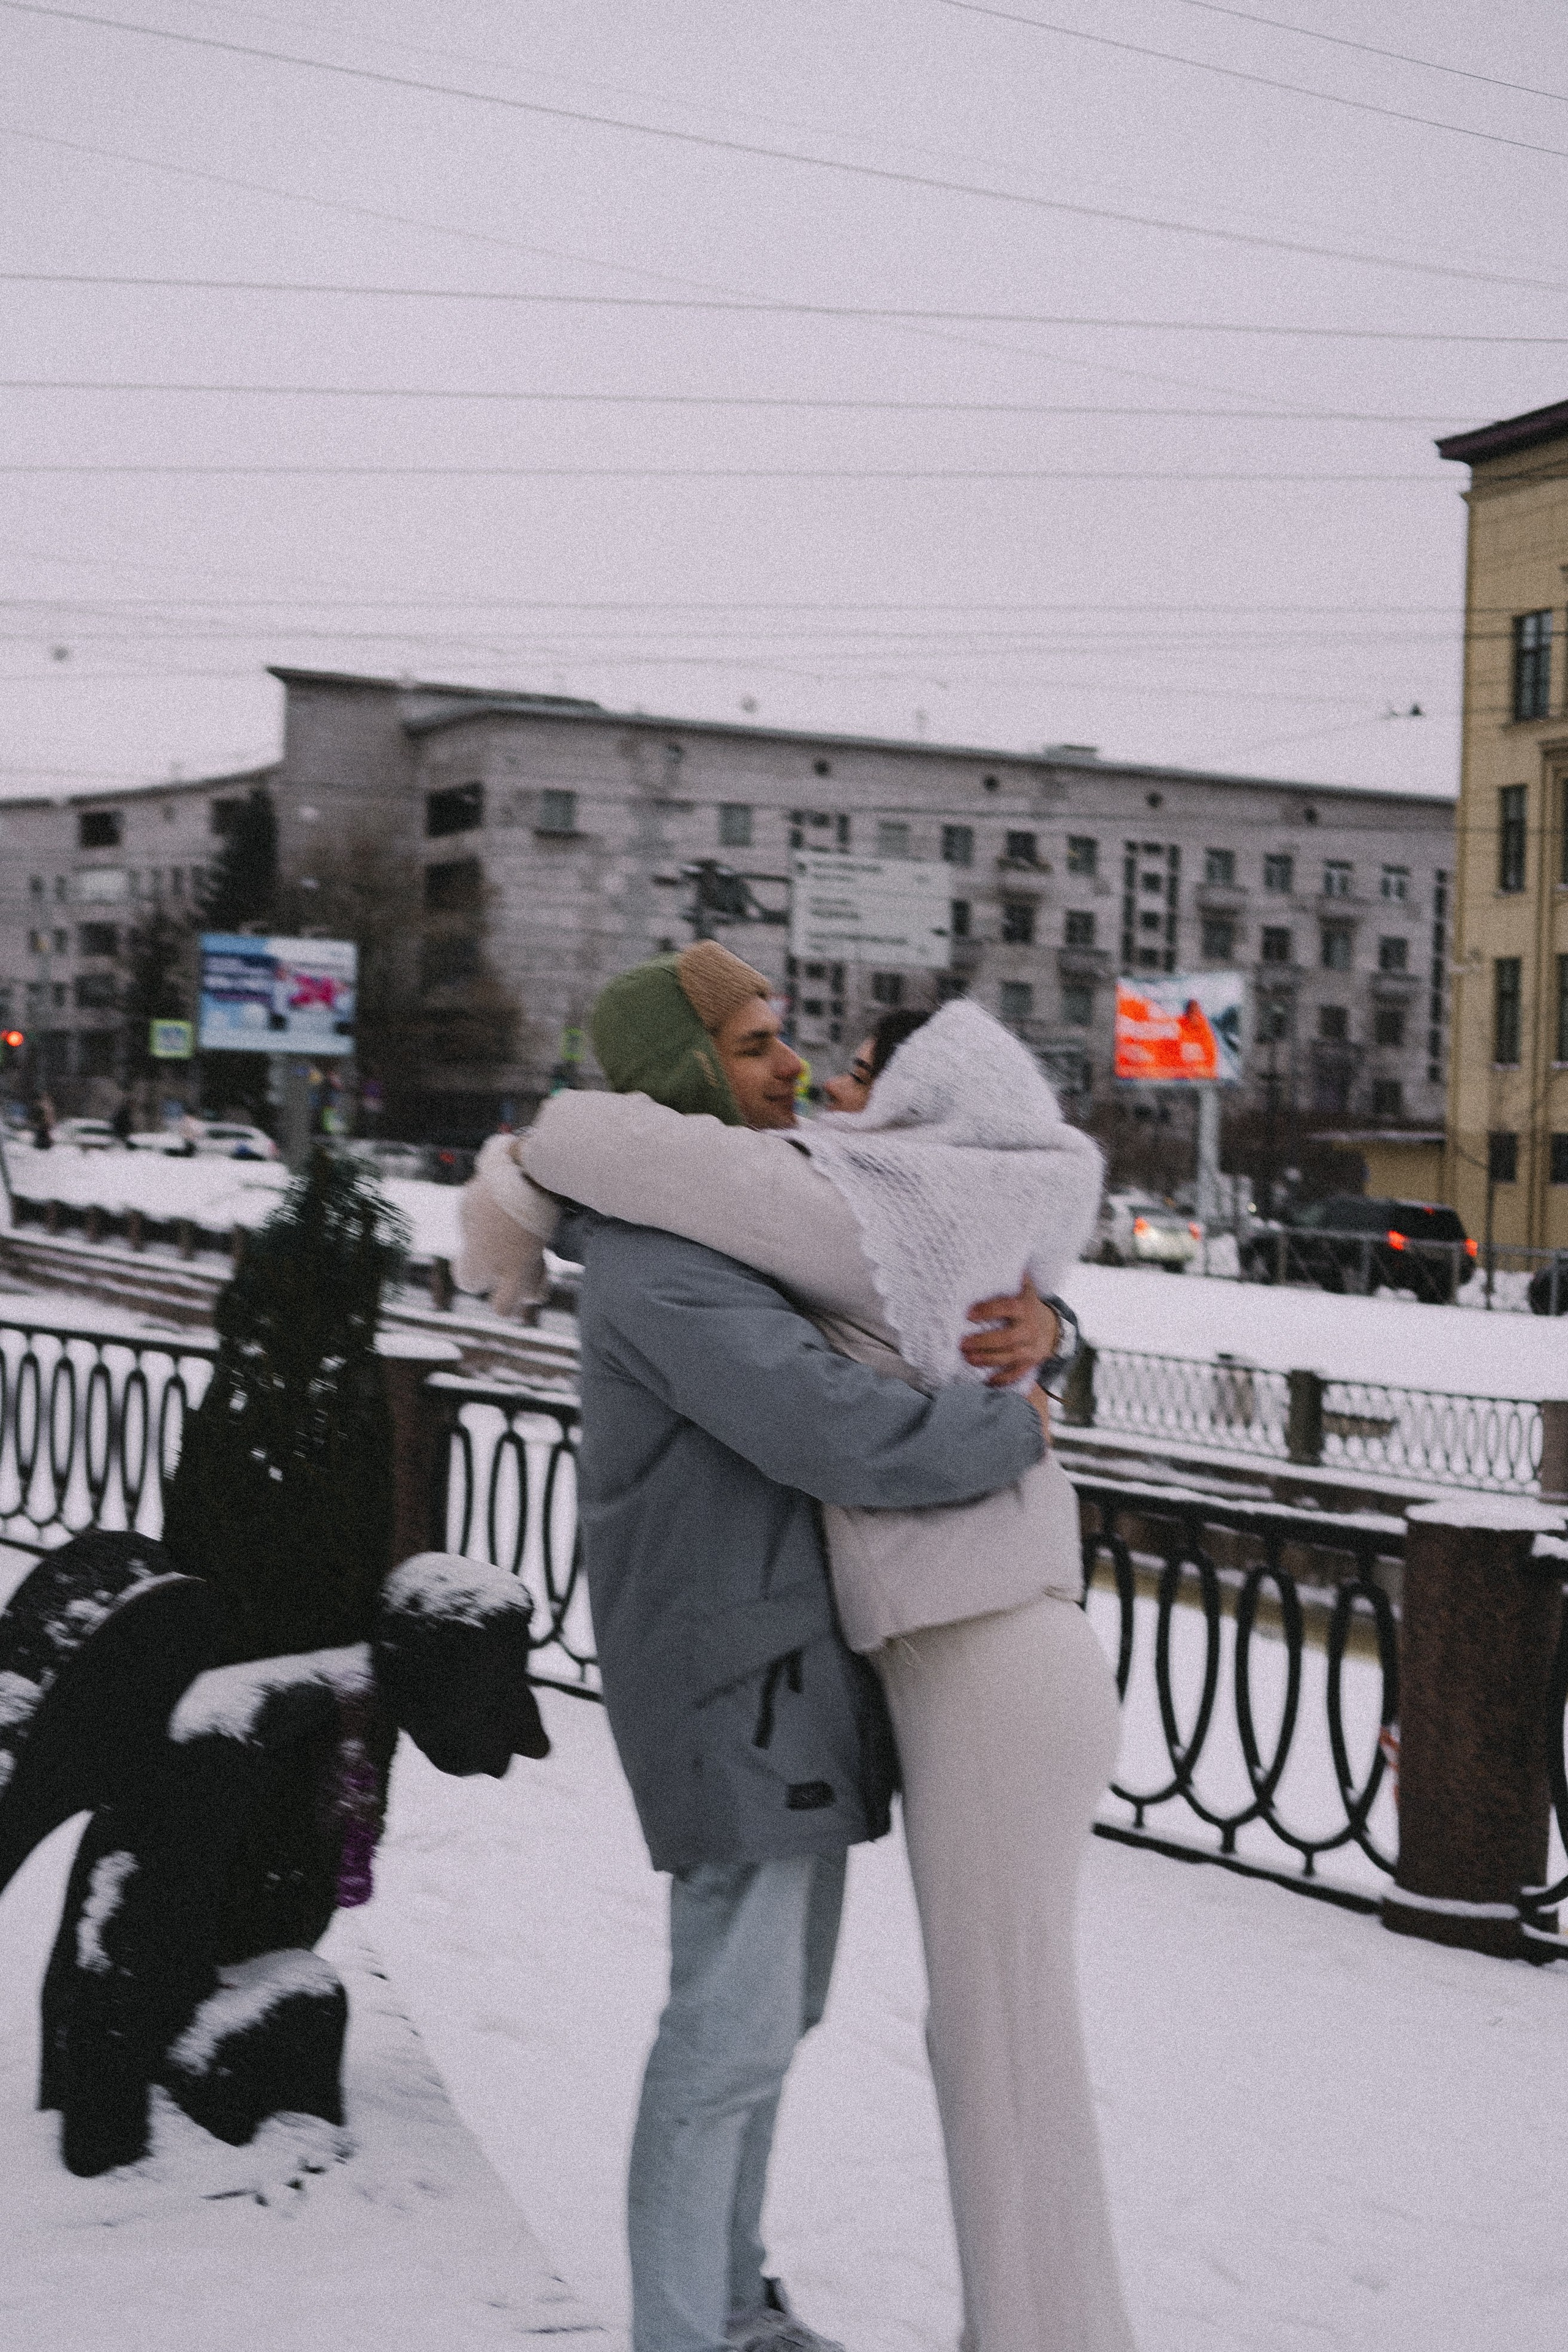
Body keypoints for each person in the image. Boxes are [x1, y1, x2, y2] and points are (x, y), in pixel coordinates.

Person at [458, 944, 1063, 2352]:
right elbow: (824, 1422)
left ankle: (728, 2300)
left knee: (766, 2020)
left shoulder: (738, 1220)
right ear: (683, 1071)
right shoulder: (664, 1259)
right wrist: (1011, 1429)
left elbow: (902, 1305)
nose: (788, 1065)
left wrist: (1044, 1324)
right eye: (751, 1046)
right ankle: (689, 2327)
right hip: (738, 1679)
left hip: (782, 1675)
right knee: (722, 2035)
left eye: (785, 1039)